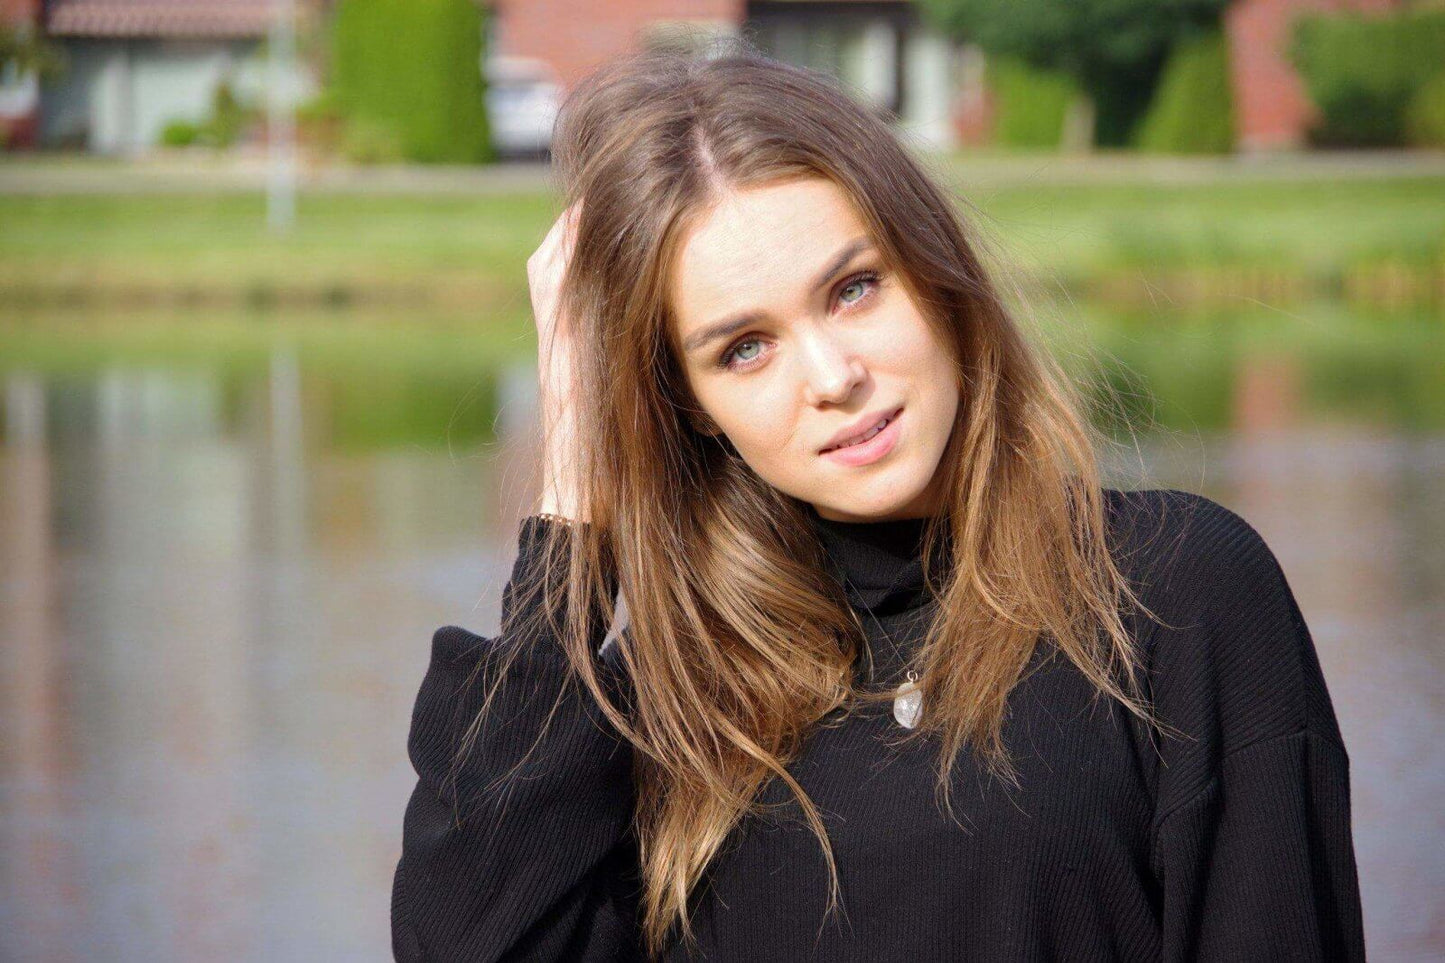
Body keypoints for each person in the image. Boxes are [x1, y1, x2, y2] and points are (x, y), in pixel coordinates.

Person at [390, 44, 1366, 962]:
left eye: (853, 289)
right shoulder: (666, 701)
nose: (832, 377)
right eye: (743, 348)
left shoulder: (1171, 593)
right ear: (688, 407)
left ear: (933, 272)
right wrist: (574, 482)